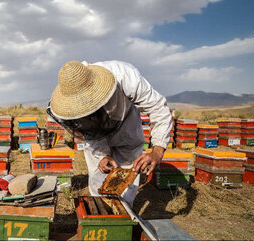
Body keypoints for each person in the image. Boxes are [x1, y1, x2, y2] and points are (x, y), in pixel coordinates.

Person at [47, 60, 173, 206]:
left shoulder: (126, 77)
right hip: (96, 139)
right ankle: (102, 220)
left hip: (127, 129)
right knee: (98, 182)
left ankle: (123, 219)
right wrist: (102, 154)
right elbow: (88, 129)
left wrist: (157, 149)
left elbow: (158, 107)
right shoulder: (71, 95)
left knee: (127, 181)